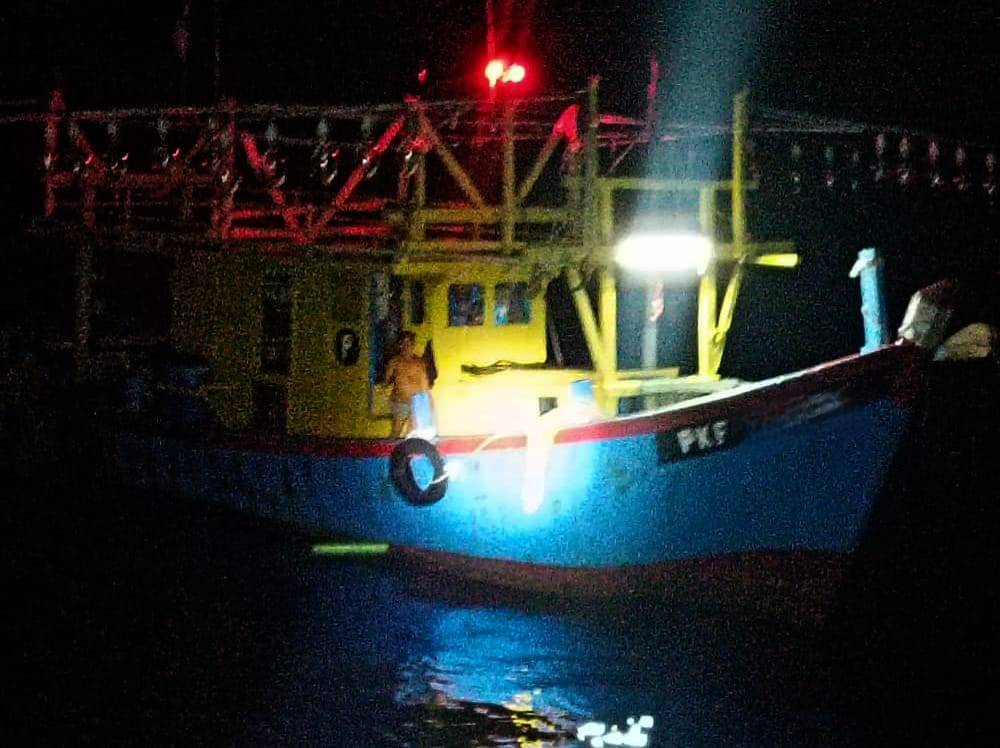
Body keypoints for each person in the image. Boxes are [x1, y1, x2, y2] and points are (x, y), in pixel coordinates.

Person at [384, 331, 431, 437]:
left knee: (412, 431)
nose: (406, 346)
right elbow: (386, 381)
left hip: (416, 402)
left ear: (413, 345)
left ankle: (406, 451)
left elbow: (424, 383)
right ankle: (390, 452)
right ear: (399, 345)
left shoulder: (419, 362)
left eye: (409, 343)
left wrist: (427, 401)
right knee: (396, 430)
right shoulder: (394, 362)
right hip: (400, 401)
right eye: (403, 343)